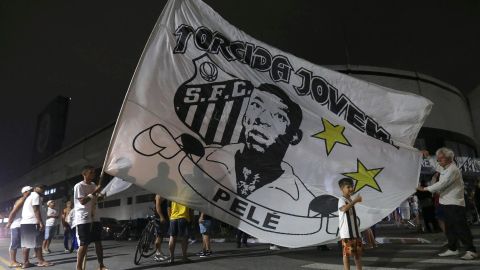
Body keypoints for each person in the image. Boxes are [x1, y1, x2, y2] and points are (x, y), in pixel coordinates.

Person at [417, 148, 477, 260]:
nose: (439, 161)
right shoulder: (445, 167)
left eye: (441, 158)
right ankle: (453, 248)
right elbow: (436, 166)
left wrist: (424, 189)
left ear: (449, 159)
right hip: (445, 202)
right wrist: (428, 157)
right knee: (449, 227)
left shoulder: (452, 170)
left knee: (460, 227)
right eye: (438, 158)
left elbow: (441, 184)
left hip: (455, 204)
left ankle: (471, 250)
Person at [74, 165, 108, 270]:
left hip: (95, 217)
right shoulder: (79, 186)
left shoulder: (93, 184)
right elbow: (83, 201)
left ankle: (101, 265)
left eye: (94, 172)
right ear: (84, 174)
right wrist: (94, 192)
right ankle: (79, 267)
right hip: (83, 218)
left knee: (98, 242)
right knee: (84, 244)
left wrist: (101, 196)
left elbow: (96, 199)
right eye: (91, 172)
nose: (93, 174)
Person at [20, 183, 53, 268]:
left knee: (26, 244)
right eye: (41, 188)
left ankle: (26, 262)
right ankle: (41, 261)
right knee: (38, 243)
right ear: (35, 188)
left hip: (25, 222)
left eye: (44, 188)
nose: (43, 190)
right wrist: (40, 222)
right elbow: (36, 209)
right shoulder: (35, 196)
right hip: (33, 222)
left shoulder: (30, 197)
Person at [338, 177, 363, 270]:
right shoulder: (341, 199)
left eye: (351, 187)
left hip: (355, 232)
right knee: (347, 255)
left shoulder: (349, 199)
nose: (351, 189)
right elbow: (344, 209)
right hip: (347, 233)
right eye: (348, 187)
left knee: (358, 254)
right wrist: (355, 201)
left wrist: (354, 201)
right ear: (342, 189)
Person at [5, 186, 32, 268]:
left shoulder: (28, 200)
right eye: (30, 191)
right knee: (14, 244)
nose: (32, 192)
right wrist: (9, 223)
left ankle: (26, 262)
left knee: (27, 244)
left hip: (25, 224)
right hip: (17, 225)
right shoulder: (22, 200)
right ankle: (12, 262)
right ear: (25, 192)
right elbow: (13, 212)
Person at [153, 194, 169, 262]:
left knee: (160, 236)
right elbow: (157, 206)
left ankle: (159, 252)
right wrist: (161, 216)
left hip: (164, 217)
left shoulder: (163, 194)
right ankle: (157, 254)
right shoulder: (159, 195)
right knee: (159, 236)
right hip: (160, 218)